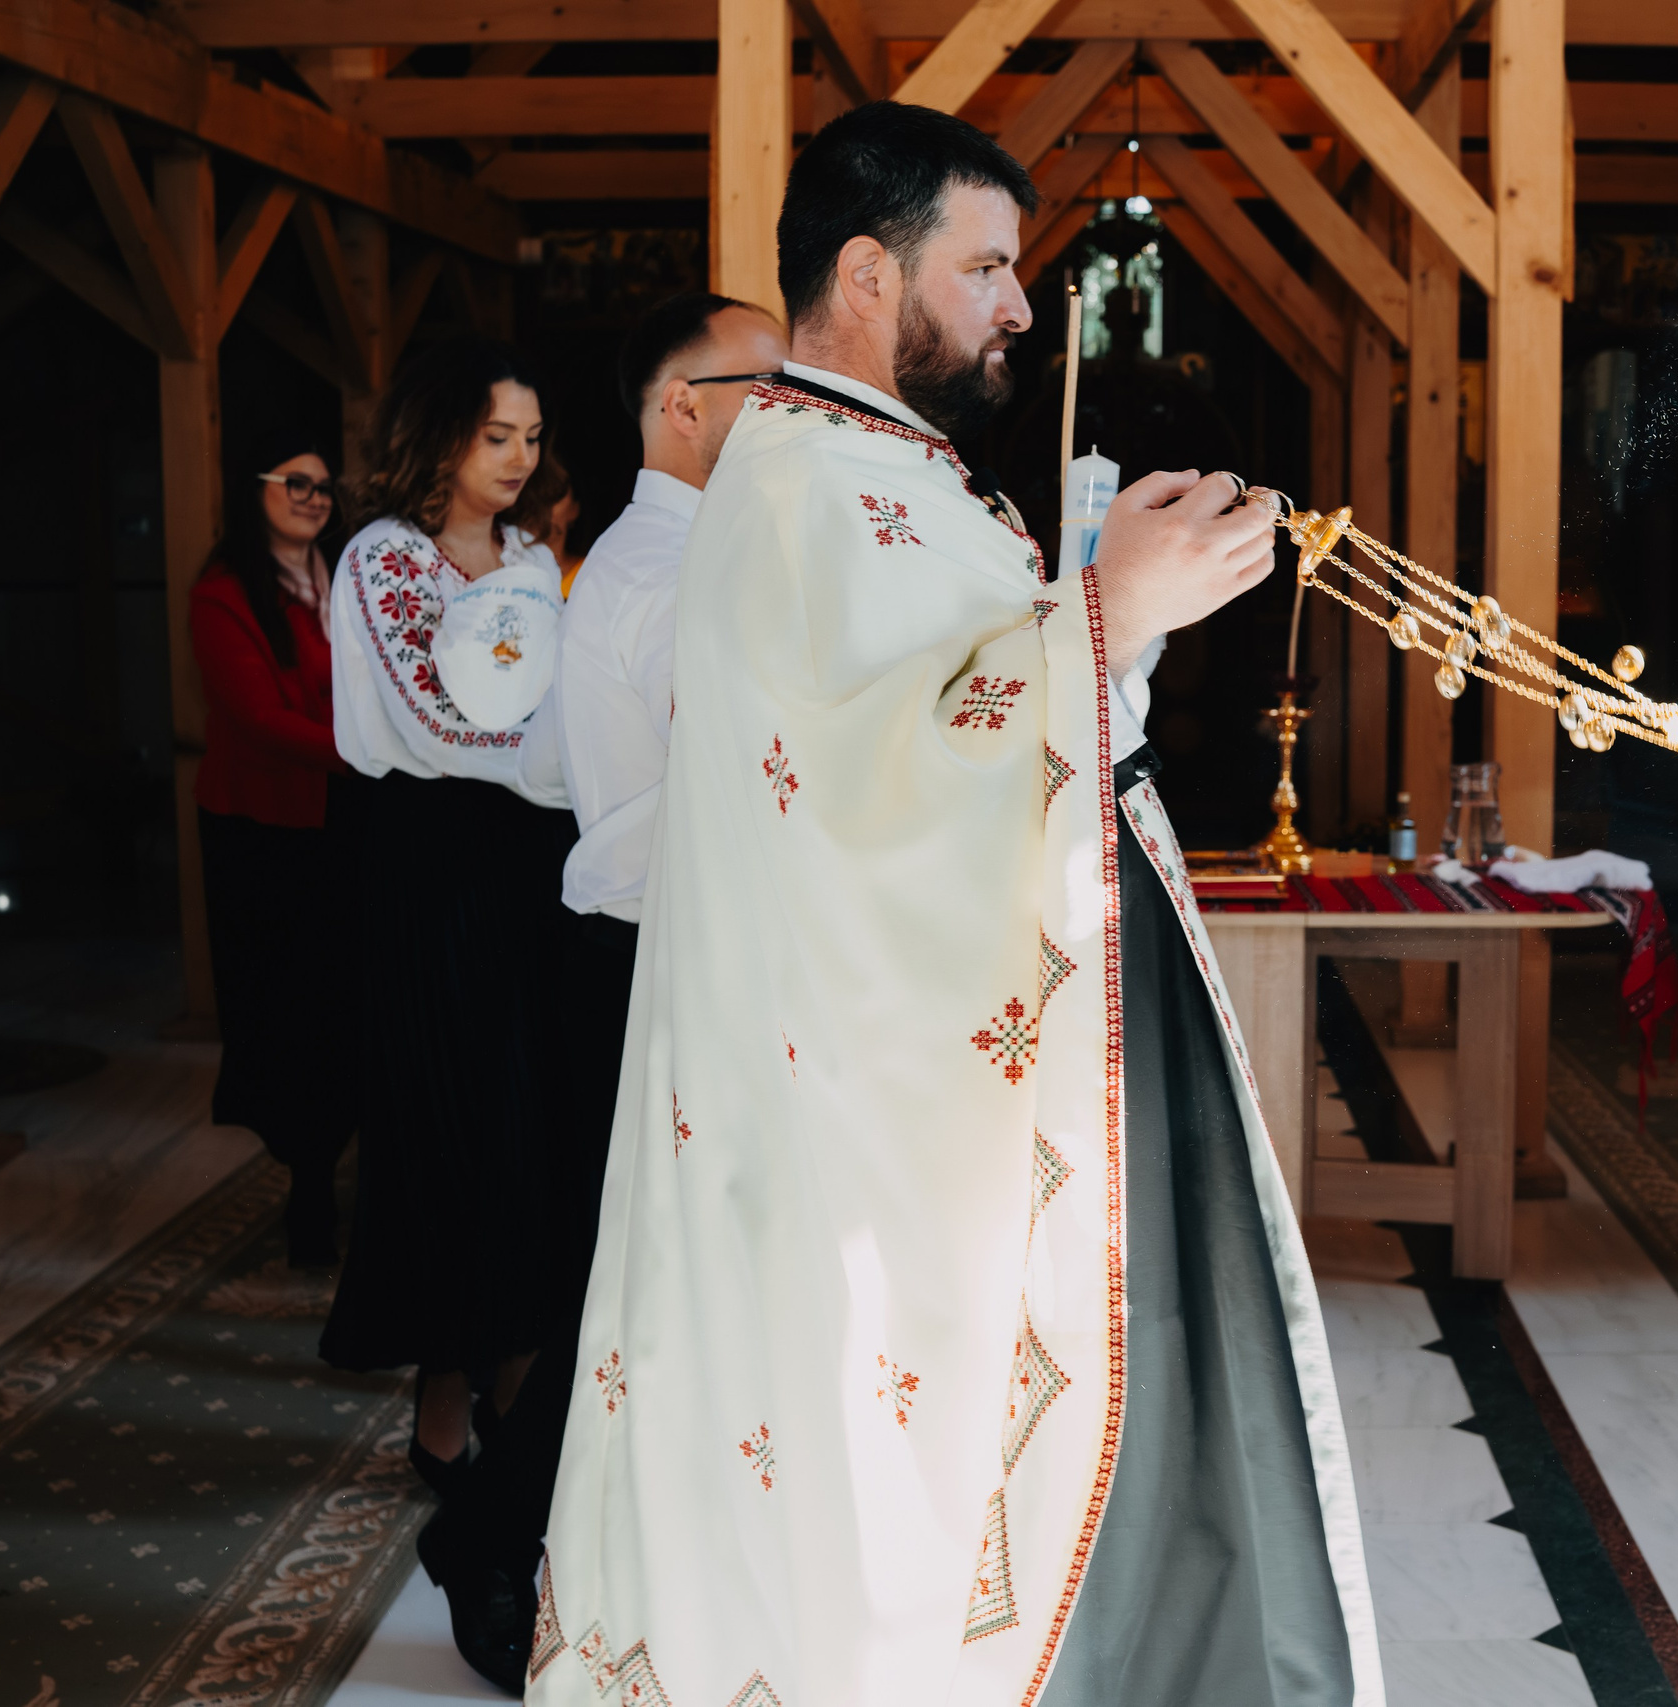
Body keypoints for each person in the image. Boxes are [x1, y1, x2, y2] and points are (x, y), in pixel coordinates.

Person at [532, 103, 1381, 1707]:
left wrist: (1111, 619)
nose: (1020, 304)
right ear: (868, 273)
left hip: (900, 1075)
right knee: (867, 1501)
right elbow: (875, 787)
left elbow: (959, 715)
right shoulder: (807, 482)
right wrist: (1106, 610)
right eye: (985, 266)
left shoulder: (887, 471)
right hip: (843, 1119)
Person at [429, 291, 793, 1680]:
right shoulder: (672, 570)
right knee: (628, 1293)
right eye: (769, 387)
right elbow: (714, 792)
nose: (798, 409)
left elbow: (558, 767)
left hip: (646, 949)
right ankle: (488, 1536)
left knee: (656, 1282)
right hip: (648, 958)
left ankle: (601, 1549)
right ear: (680, 407)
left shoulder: (669, 556)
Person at [315, 337, 575, 1689]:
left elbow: (548, 700)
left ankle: (504, 1393)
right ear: (440, 437)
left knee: (523, 1122)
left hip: (525, 865)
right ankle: (446, 1388)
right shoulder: (383, 559)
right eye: (496, 435)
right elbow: (436, 724)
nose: (519, 457)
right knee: (440, 1117)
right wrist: (569, 762)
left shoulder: (530, 557)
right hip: (426, 862)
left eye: (530, 435)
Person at [189, 427, 353, 1268]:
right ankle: (309, 1191)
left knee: (345, 1003)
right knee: (288, 1012)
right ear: (252, 489)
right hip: (263, 832)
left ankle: (342, 1175)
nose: (314, 498)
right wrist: (374, 750)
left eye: (323, 485)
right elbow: (258, 719)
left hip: (342, 820)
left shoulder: (347, 576)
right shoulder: (224, 593)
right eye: (296, 482)